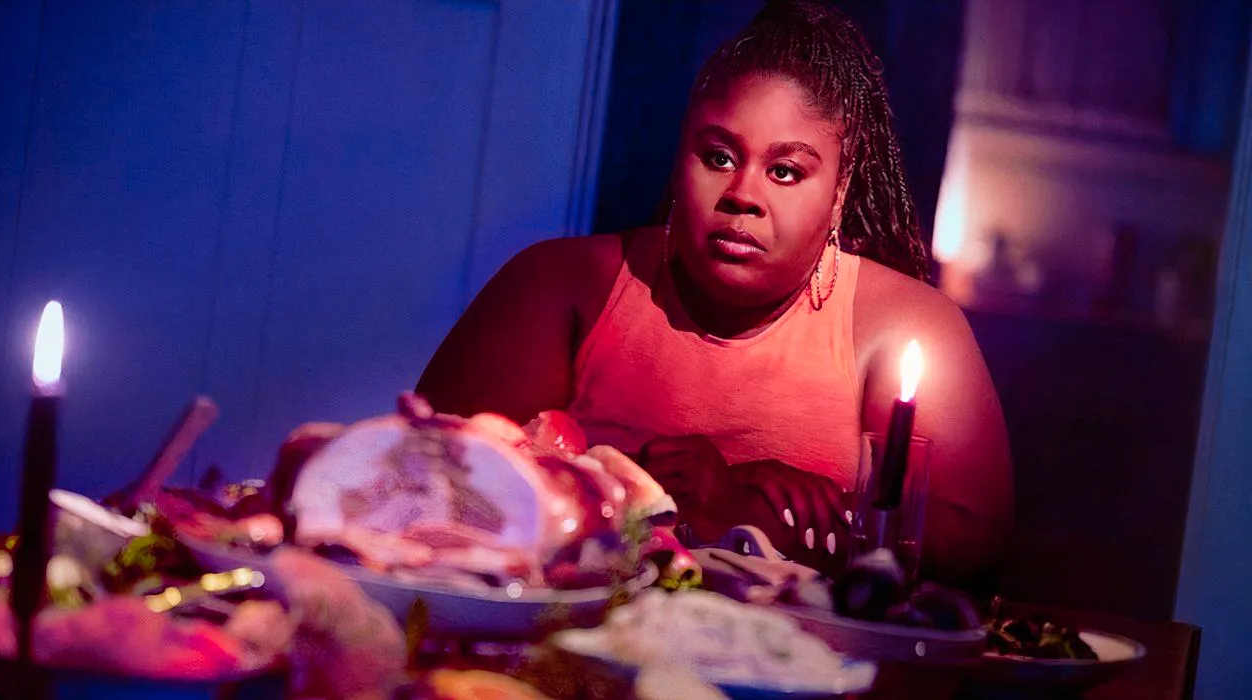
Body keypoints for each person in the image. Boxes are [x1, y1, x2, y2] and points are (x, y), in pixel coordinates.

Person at [417, 0, 1012, 586]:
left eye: (785, 171)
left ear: (839, 189)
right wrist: (625, 490)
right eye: (719, 157)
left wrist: (766, 512)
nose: (743, 195)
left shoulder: (906, 328)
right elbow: (427, 479)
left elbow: (972, 545)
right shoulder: (561, 285)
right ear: (681, 160)